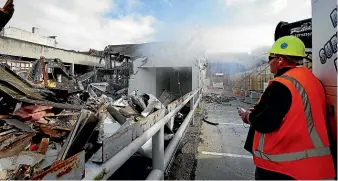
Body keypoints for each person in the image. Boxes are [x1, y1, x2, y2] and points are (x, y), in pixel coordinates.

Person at [238, 35, 336, 180]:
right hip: (316, 167)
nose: (269, 63)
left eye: (270, 59)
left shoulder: (282, 84)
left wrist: (248, 116)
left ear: (280, 60)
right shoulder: (312, 80)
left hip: (284, 167)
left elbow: (265, 122)